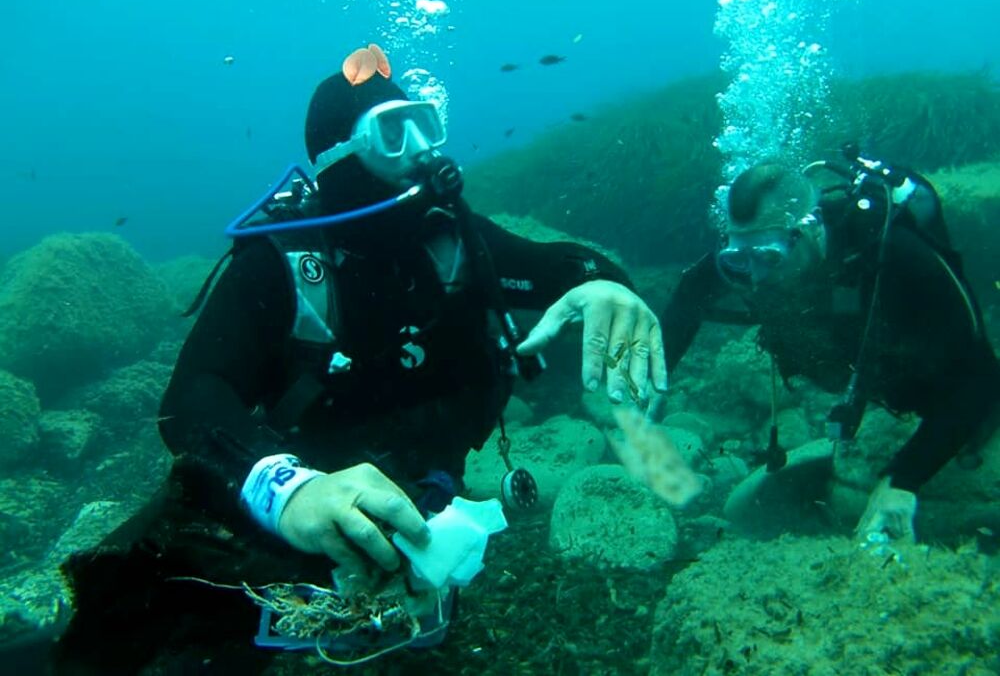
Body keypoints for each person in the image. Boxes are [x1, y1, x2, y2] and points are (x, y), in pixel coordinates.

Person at [50, 50, 667, 674]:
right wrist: (287, 489)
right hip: (304, 491)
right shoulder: (284, 260)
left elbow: (556, 267)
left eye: (428, 126)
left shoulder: (449, 238)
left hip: (420, 497)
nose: (423, 153)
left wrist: (608, 286)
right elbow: (192, 397)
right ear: (338, 155)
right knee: (124, 614)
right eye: (395, 133)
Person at [659, 149, 999, 541]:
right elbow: (688, 298)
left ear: (811, 227)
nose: (753, 276)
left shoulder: (895, 254)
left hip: (913, 367)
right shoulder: (748, 261)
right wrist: (654, 381)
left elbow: (983, 377)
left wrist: (901, 481)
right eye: (739, 259)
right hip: (849, 360)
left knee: (955, 396)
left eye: (769, 256)